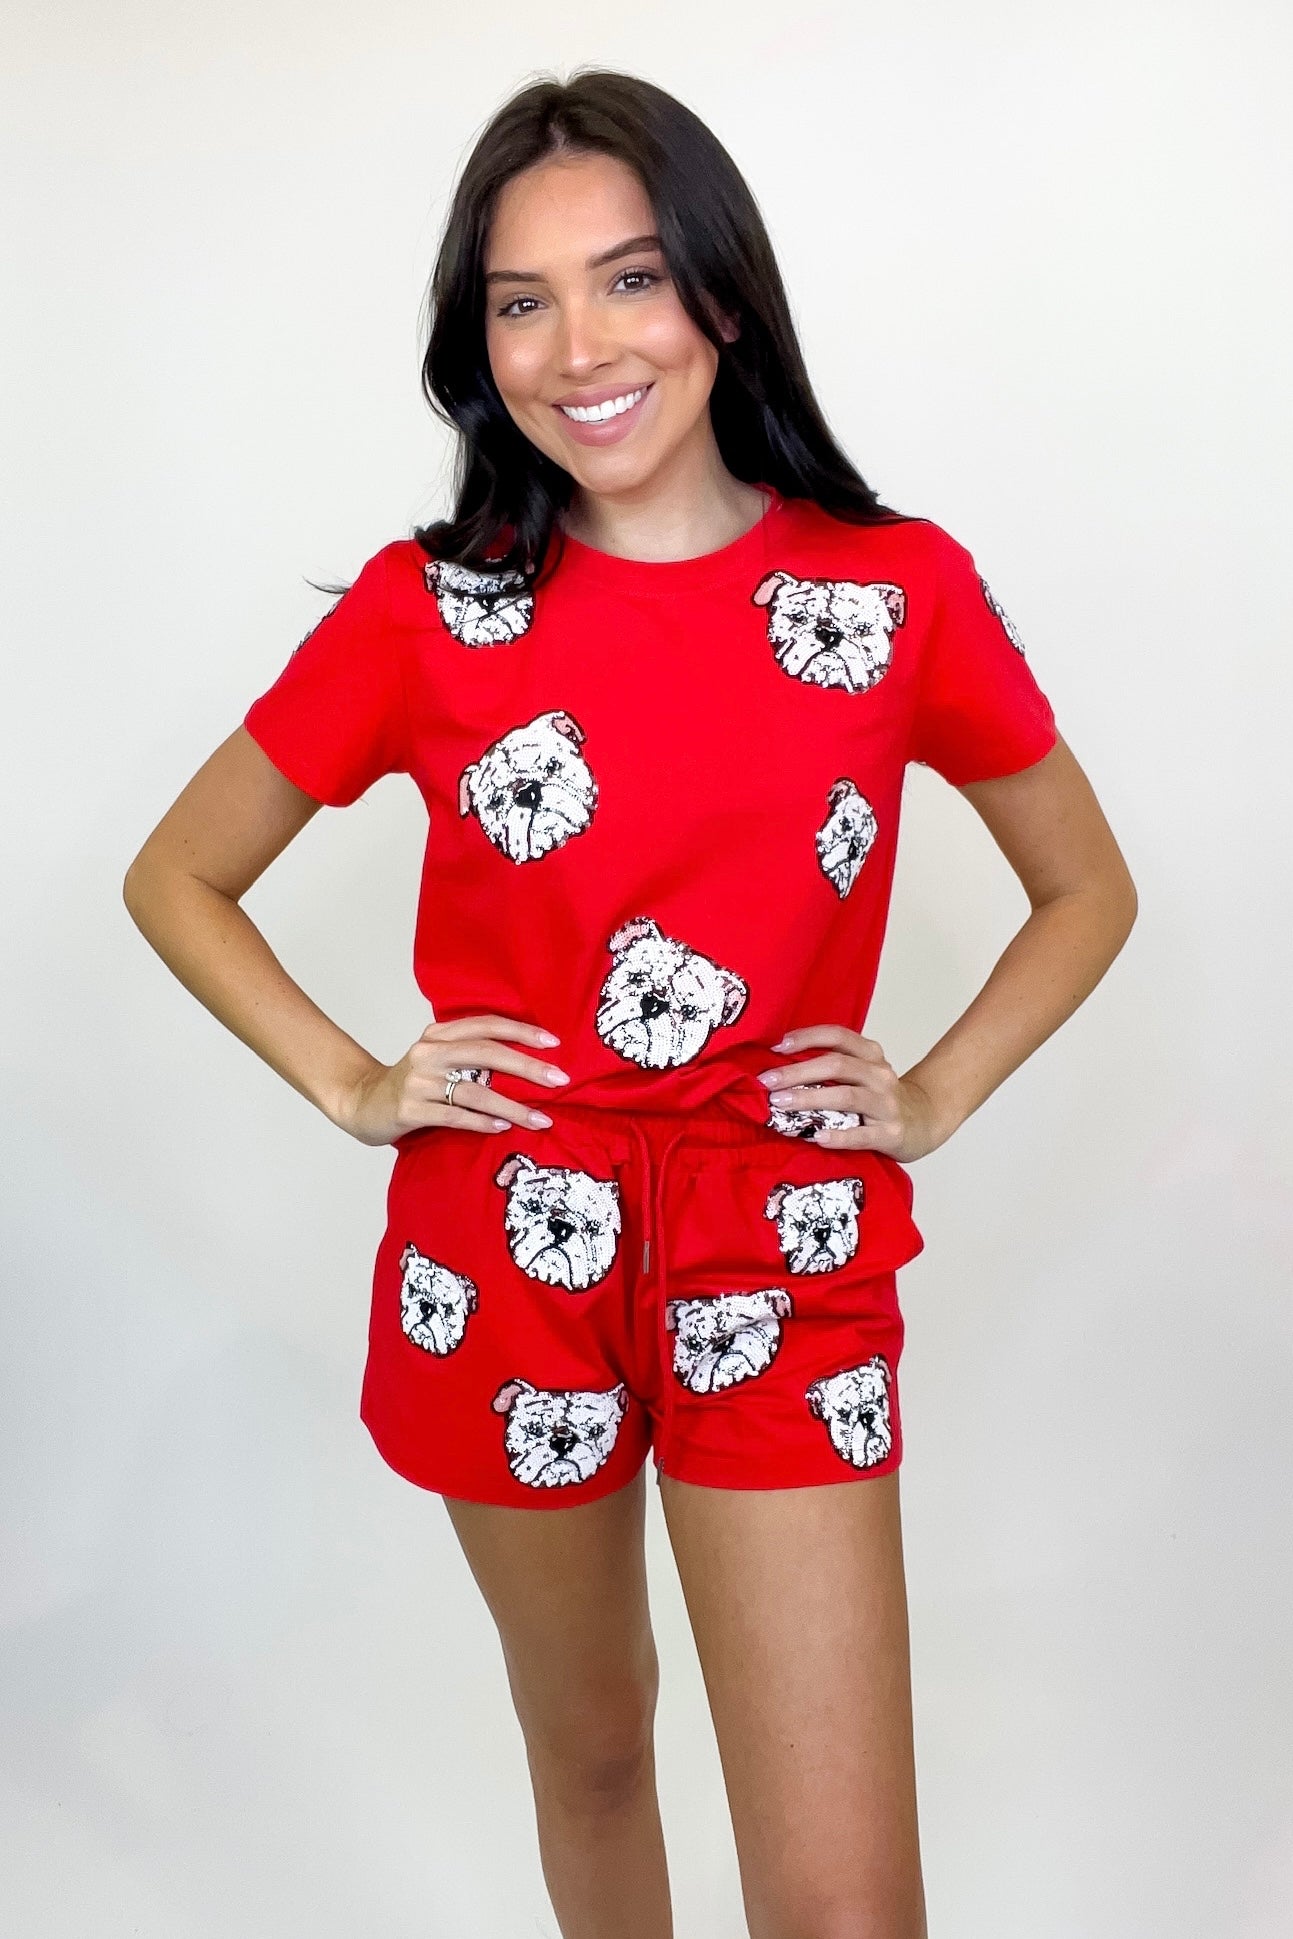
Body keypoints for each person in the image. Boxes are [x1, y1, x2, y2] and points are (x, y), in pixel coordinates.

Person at [123, 66, 1137, 1939]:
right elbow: (175, 875)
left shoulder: (893, 593)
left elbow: (1088, 889)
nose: (577, 347)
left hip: (781, 1247)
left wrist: (931, 1093)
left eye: (630, 279)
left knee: (844, 1906)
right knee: (592, 1760)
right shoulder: (429, 612)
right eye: (521, 300)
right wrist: (358, 1084)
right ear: (480, 341)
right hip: (502, 1251)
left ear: (720, 299)